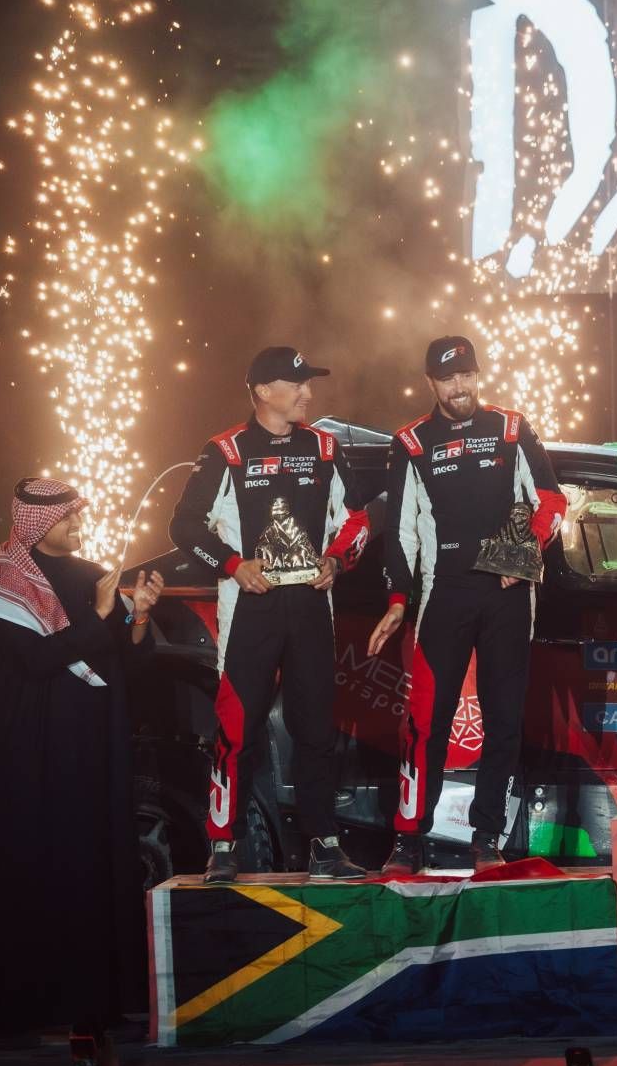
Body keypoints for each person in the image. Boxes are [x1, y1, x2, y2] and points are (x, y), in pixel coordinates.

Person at [0, 479, 161, 1046]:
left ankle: (97, 1003)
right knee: (35, 859)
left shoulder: (93, 575)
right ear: (33, 522)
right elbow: (34, 660)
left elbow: (129, 665)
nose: (79, 524)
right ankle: (23, 1008)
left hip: (96, 743)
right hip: (37, 746)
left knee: (93, 859)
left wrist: (139, 617)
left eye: (79, 515)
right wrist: (100, 614)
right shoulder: (1, 580)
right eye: (68, 516)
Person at [170, 346, 374, 882]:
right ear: (263, 391)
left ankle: (325, 846)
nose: (308, 393)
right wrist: (232, 565)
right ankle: (223, 846)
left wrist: (338, 560)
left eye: (308, 382)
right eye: (297, 383)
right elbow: (184, 526)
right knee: (238, 730)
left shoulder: (324, 447)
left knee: (316, 731)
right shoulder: (226, 450)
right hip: (250, 610)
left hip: (310, 608)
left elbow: (356, 519)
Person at [367, 336, 566, 876]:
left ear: (478, 374)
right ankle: (409, 835)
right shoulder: (411, 440)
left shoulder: (512, 426)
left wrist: (522, 553)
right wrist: (397, 600)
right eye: (447, 378)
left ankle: (486, 837)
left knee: (504, 722)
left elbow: (551, 499)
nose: (459, 387)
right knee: (426, 722)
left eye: (466, 375)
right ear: (430, 382)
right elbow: (401, 530)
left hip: (508, 594)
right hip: (444, 596)